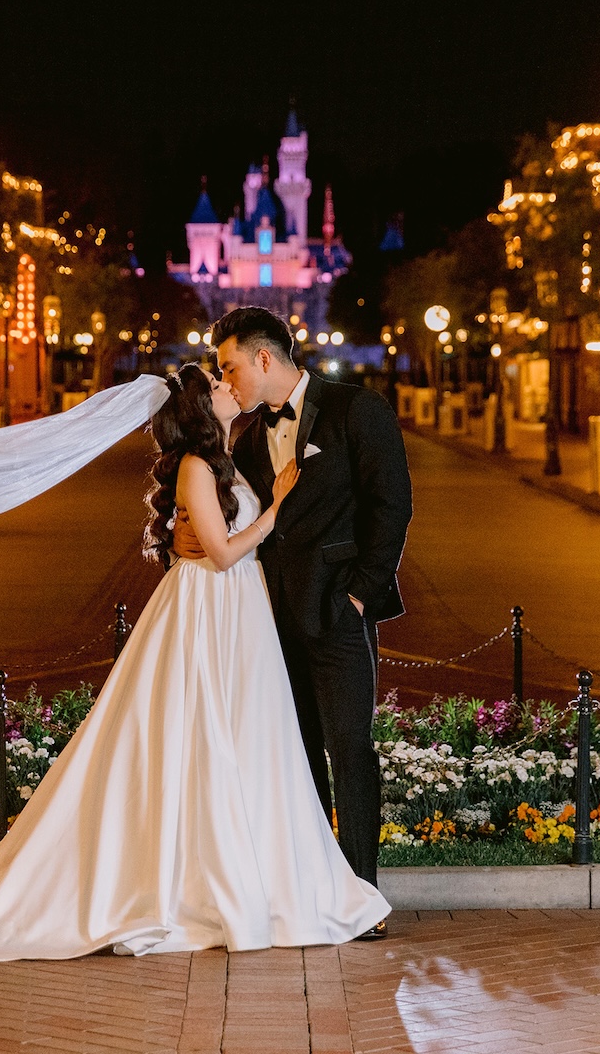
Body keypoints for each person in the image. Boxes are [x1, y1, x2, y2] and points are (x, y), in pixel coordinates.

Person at [0, 363, 390, 959]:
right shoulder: (200, 463)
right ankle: (196, 879)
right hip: (209, 611)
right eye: (218, 381)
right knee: (201, 737)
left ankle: (242, 867)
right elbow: (222, 554)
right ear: (201, 407)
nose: (230, 385)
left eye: (230, 373)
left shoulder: (231, 454)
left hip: (238, 617)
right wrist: (278, 508)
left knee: (238, 741)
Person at [175, 306, 413, 940]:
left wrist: (361, 594)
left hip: (338, 610)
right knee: (298, 755)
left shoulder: (354, 410)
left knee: (349, 750)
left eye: (229, 366)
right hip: (272, 619)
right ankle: (312, 889)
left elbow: (392, 503)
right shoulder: (248, 440)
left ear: (263, 359)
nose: (224, 380)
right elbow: (235, 521)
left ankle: (362, 895)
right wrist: (187, 534)